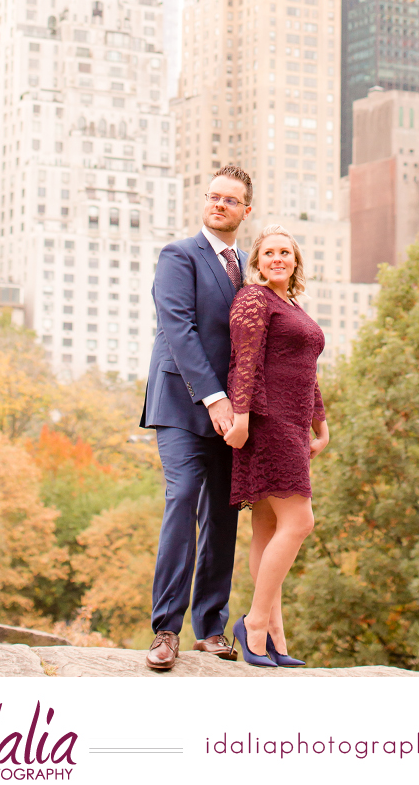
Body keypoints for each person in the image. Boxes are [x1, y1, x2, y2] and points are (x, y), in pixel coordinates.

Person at [139, 165, 253, 671]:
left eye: (230, 200)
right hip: (183, 403)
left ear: (246, 211)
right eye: (213, 196)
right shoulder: (178, 256)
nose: (219, 204)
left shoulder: (250, 265)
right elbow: (179, 330)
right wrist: (213, 398)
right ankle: (166, 630)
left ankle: (210, 628)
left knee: (224, 514)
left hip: (235, 416)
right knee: (183, 497)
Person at [224, 225, 329, 667]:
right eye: (269, 252)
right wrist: (242, 417)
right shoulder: (254, 299)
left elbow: (307, 370)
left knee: (267, 529)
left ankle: (275, 638)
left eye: (285, 252)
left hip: (294, 421)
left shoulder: (292, 305)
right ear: (258, 261)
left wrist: (320, 423)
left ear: (295, 260)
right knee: (299, 521)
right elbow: (244, 360)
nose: (277, 258)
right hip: (268, 422)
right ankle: (253, 624)